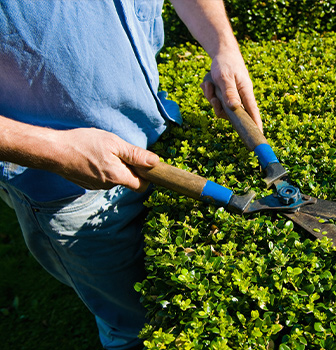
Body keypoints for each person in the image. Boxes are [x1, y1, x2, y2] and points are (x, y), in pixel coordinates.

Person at [0, 1, 262, 349]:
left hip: (155, 125)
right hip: (68, 183)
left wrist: (223, 46)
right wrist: (56, 148)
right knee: (131, 322)